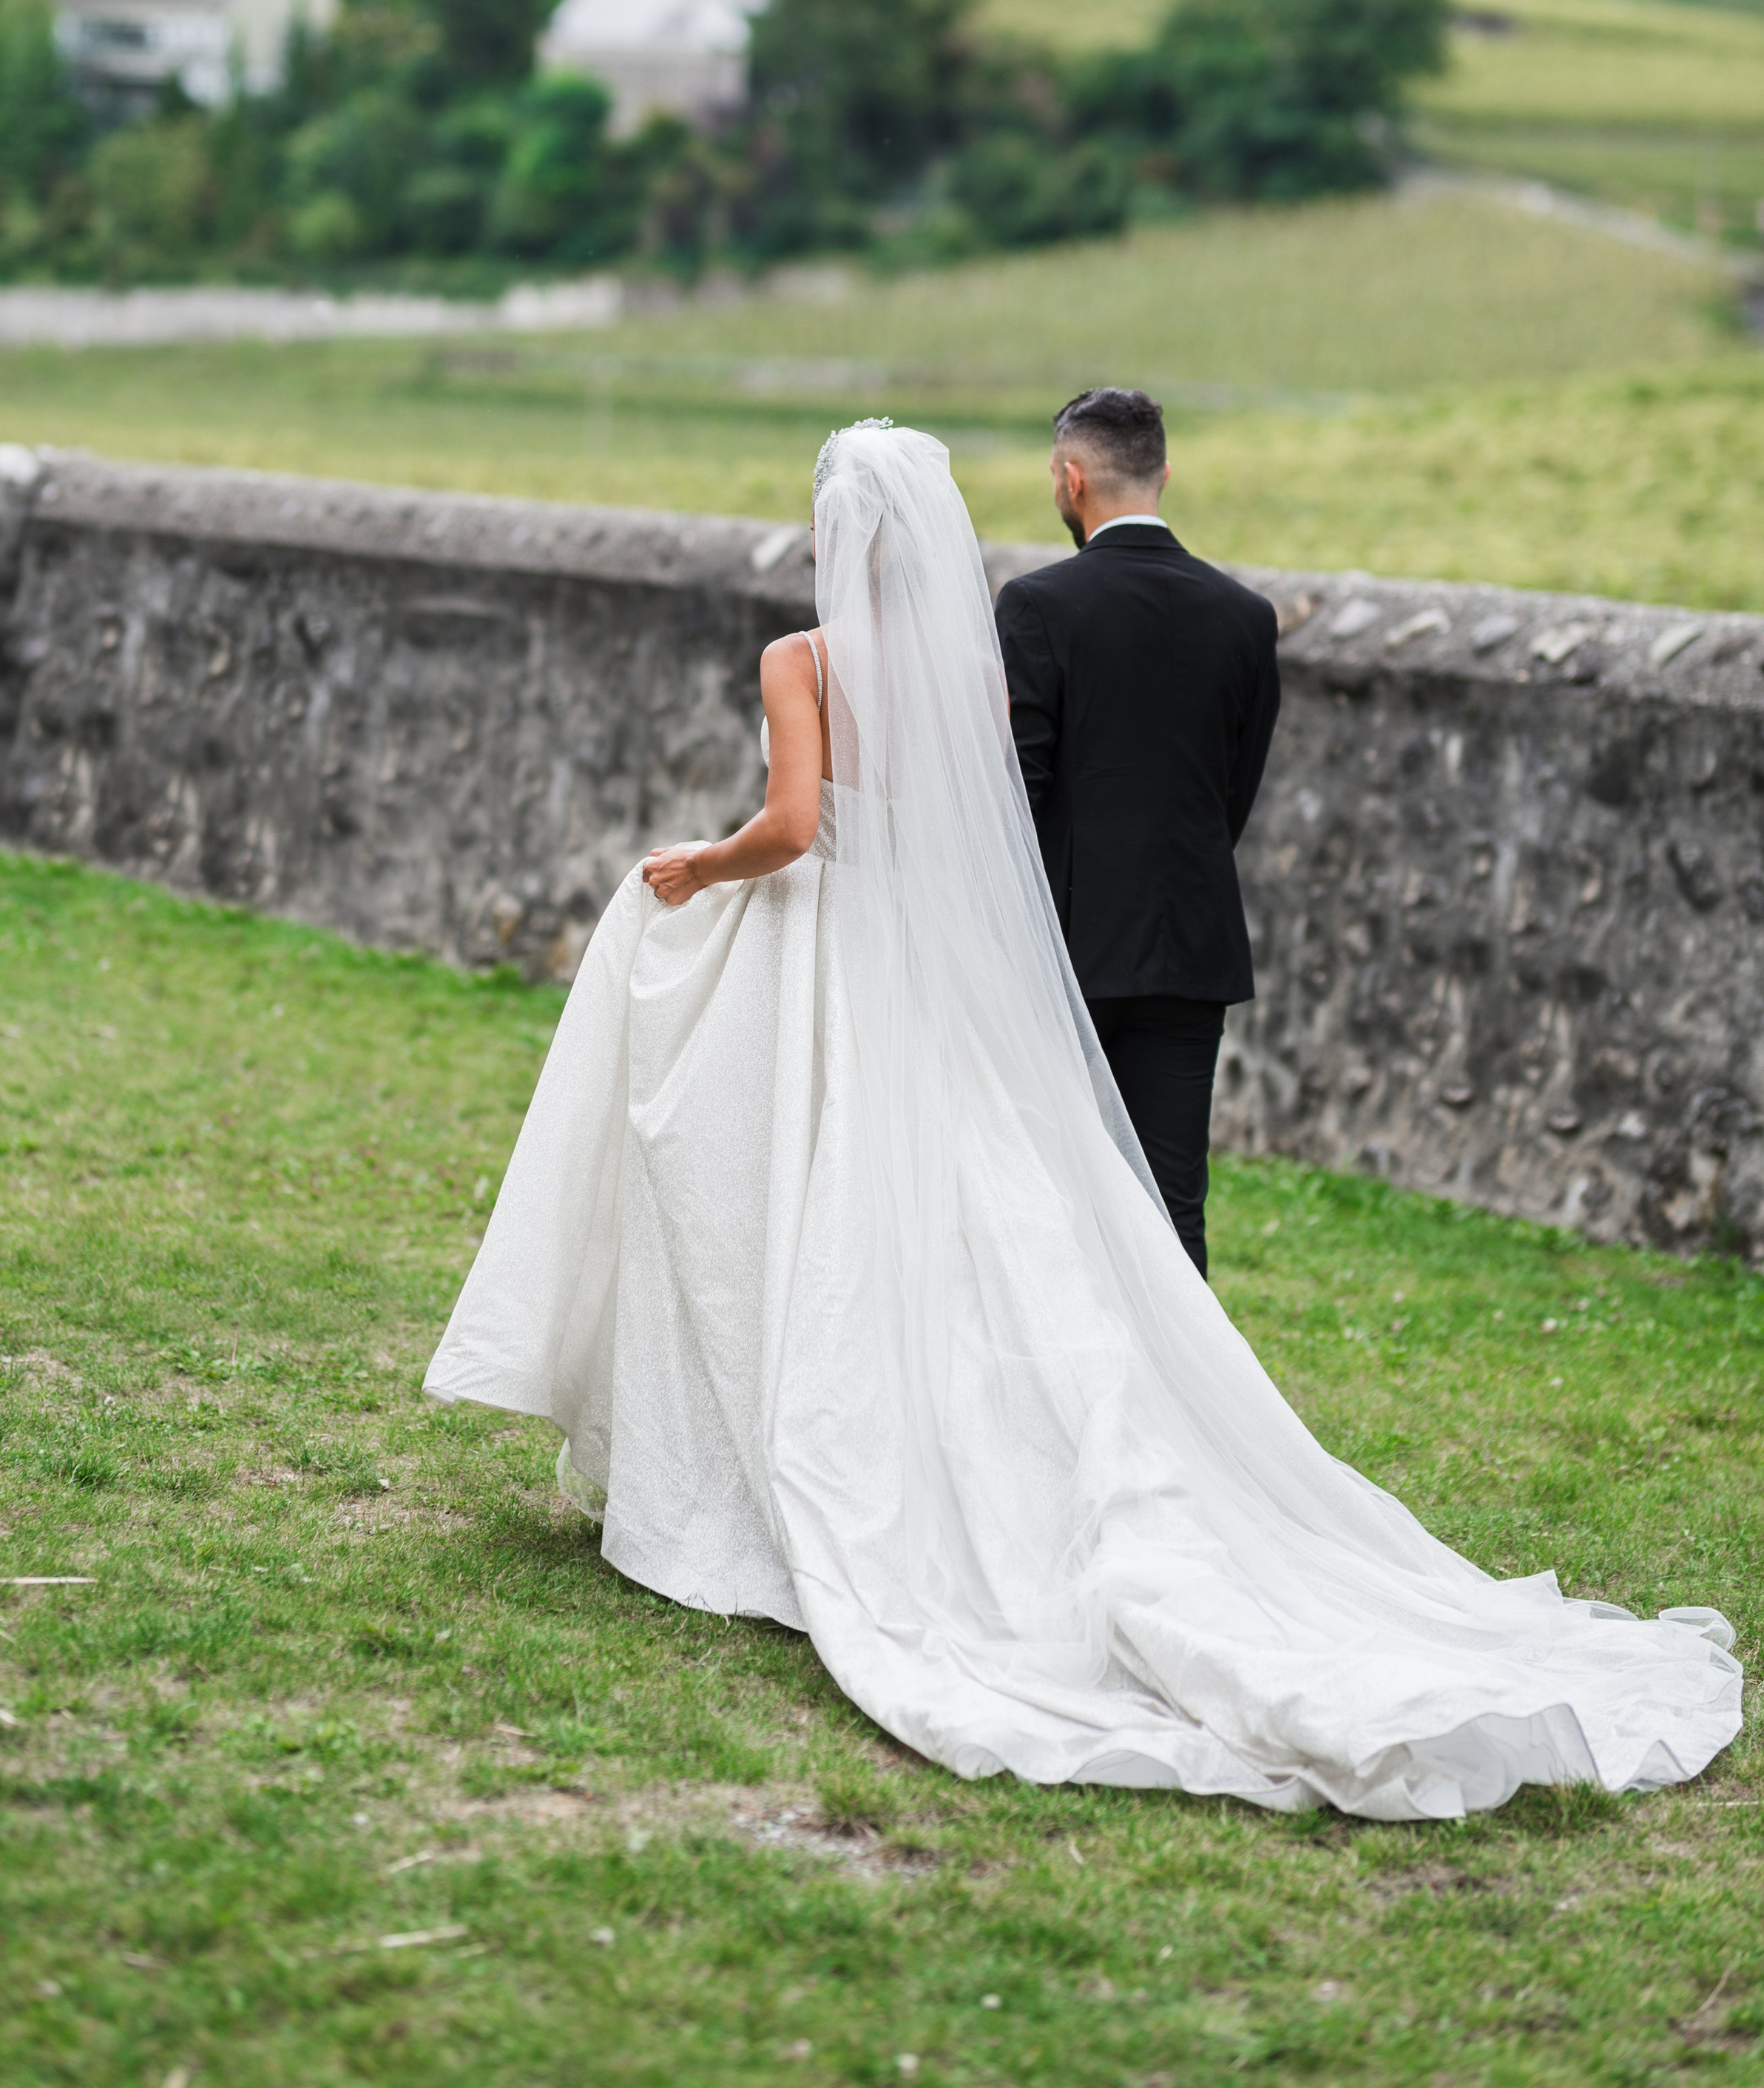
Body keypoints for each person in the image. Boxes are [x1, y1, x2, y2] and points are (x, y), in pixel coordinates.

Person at [425, 420, 1739, 1818]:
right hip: (946, 965)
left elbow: (797, 824)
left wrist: (699, 861)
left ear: (836, 527)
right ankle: (1105, 1423)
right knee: (1009, 1207)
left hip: (833, 949)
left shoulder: (799, 659)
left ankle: (812, 1451)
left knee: (819, 1188)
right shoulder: (972, 666)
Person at [996, 388, 1278, 1277]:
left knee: (1049, 1197)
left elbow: (1019, 795)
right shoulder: (1244, 616)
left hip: (1064, 952)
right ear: (1165, 472)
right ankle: (1180, 1413)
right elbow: (1232, 793)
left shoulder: (1037, 606)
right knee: (1170, 1206)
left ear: (1071, 479)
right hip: (1189, 946)